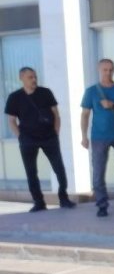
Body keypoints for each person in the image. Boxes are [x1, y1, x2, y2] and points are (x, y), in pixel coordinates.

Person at [4, 66, 75, 211]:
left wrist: (56, 132)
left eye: (35, 77)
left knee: (59, 169)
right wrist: (20, 137)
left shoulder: (45, 92)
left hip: (49, 137)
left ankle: (64, 198)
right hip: (28, 139)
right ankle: (39, 202)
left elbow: (56, 114)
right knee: (31, 172)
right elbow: (11, 120)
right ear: (21, 78)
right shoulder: (14, 97)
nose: (34, 80)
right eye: (30, 77)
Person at [80, 58, 114, 217]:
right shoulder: (91, 91)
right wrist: (83, 136)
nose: (108, 72)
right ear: (99, 70)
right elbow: (85, 115)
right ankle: (101, 205)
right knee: (98, 172)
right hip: (98, 137)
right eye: (105, 70)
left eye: (111, 69)